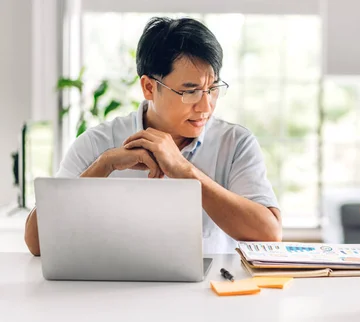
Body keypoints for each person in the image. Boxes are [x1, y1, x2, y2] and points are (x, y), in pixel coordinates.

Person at [24, 17, 282, 255]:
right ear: (149, 87)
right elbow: (36, 243)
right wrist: (103, 166)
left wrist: (185, 171)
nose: (206, 107)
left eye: (212, 89)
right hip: (111, 296)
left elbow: (270, 235)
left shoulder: (235, 143)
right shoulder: (98, 143)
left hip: (211, 297)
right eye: (190, 91)